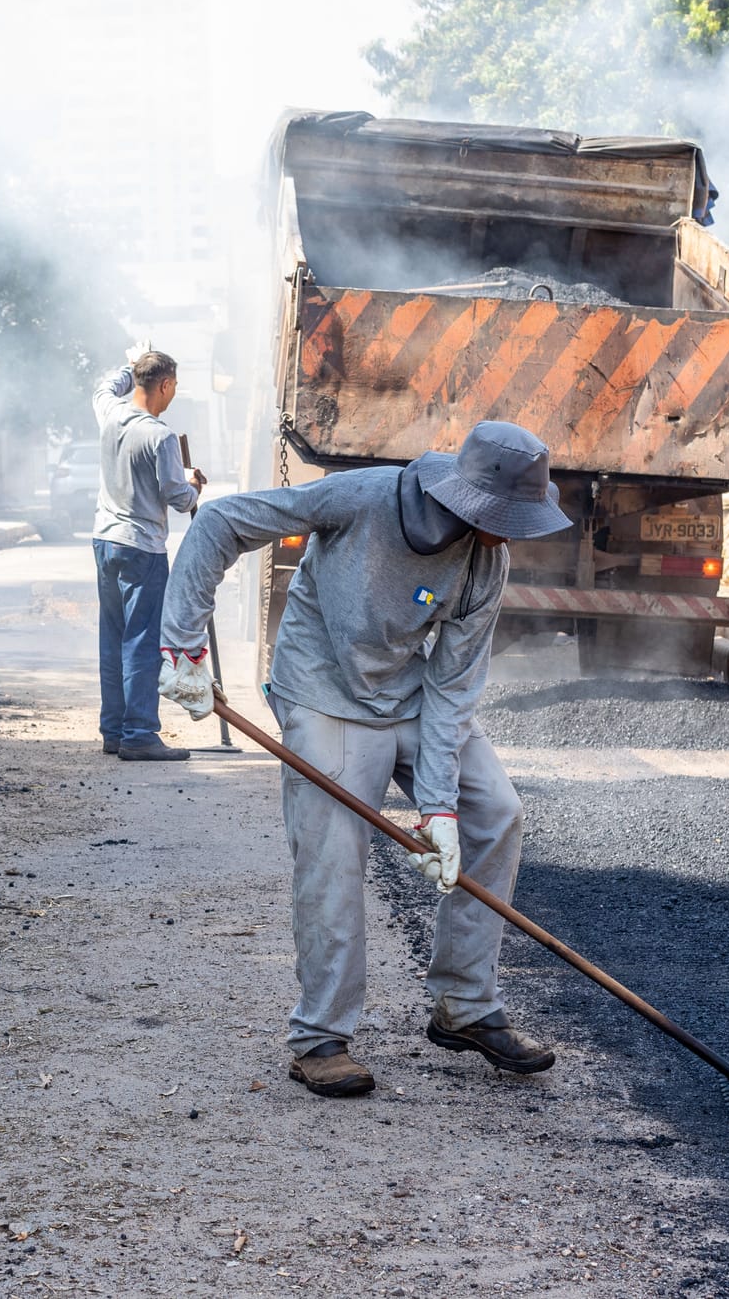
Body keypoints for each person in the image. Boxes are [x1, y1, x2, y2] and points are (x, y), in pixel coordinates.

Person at [158, 421, 572, 1098]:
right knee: (334, 846)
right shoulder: (361, 498)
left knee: (496, 811)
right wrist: (182, 643)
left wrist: (437, 806)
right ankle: (320, 1036)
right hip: (323, 688)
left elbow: (453, 686)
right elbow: (223, 523)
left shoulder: (486, 561)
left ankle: (463, 1005)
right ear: (466, 497)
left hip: (407, 694)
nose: (513, 533)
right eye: (506, 517)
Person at [91, 343, 205, 762]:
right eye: (174, 387)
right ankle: (138, 733)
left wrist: (130, 361)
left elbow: (104, 387)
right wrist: (193, 484)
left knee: (113, 637)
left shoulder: (111, 413)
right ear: (166, 384)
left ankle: (114, 730)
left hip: (105, 541)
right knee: (140, 641)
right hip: (143, 548)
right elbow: (176, 497)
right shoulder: (160, 436)